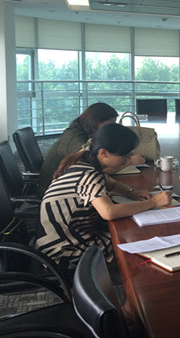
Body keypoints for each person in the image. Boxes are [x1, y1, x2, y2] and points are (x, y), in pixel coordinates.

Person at [35, 123, 171, 274]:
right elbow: (109, 212)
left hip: (69, 237)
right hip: (64, 251)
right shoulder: (88, 175)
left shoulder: (85, 161)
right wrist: (153, 202)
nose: (127, 159)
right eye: (124, 155)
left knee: (131, 233)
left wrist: (130, 192)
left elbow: (110, 182)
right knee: (136, 244)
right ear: (103, 153)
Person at [38, 103, 144, 190]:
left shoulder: (83, 134)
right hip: (52, 189)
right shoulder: (75, 140)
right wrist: (129, 162)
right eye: (109, 124)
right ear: (95, 122)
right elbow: (95, 172)